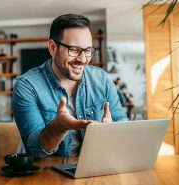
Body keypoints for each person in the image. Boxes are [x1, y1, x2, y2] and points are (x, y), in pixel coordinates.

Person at [12, 14, 127, 157]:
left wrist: (112, 132)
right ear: (53, 48)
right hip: (47, 172)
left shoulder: (102, 79)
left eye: (88, 50)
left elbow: (122, 124)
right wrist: (58, 129)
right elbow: (34, 149)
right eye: (74, 49)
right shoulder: (27, 85)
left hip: (94, 165)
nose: (83, 59)